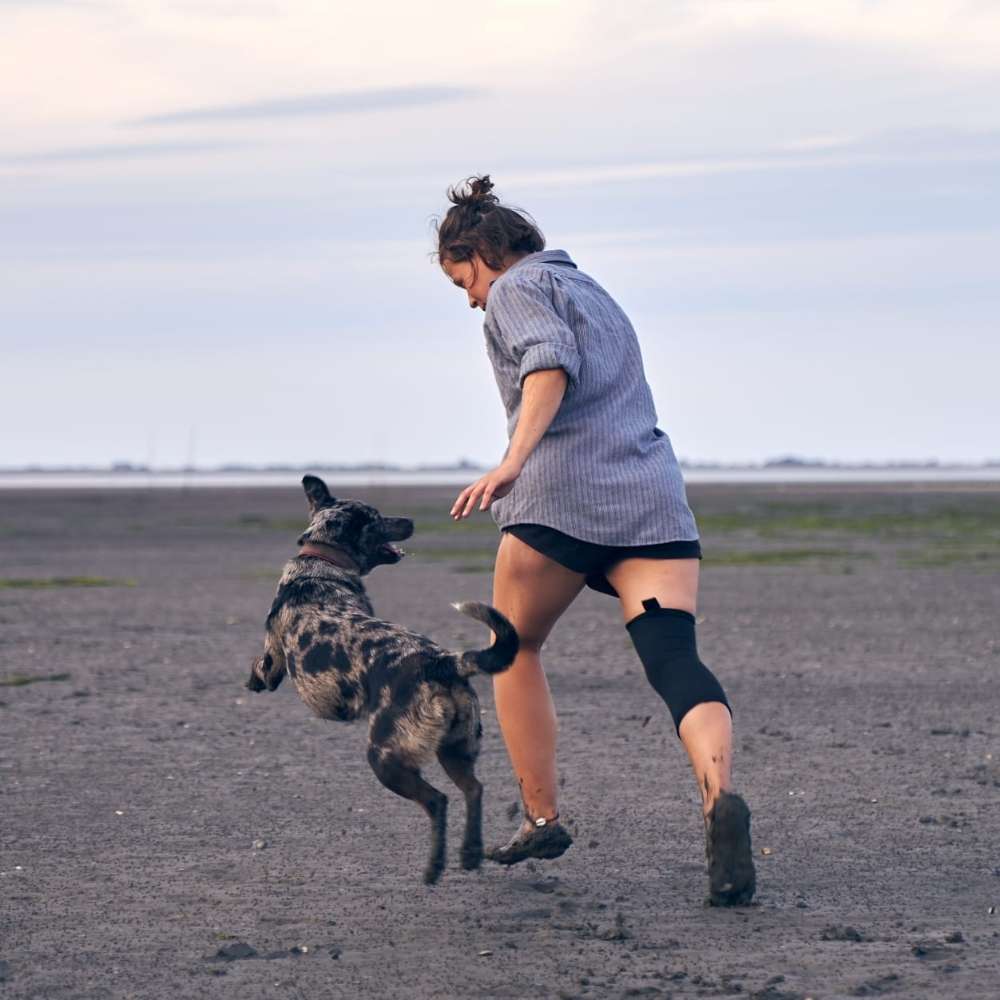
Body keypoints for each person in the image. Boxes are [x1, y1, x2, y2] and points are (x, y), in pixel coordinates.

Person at [434, 175, 756, 906]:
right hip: (650, 500)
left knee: (513, 647)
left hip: (563, 499)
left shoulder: (519, 289)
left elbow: (547, 365)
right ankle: (719, 798)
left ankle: (542, 816)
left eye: (464, 282)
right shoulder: (596, 292)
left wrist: (513, 462)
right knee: (674, 657)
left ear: (483, 254)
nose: (473, 300)